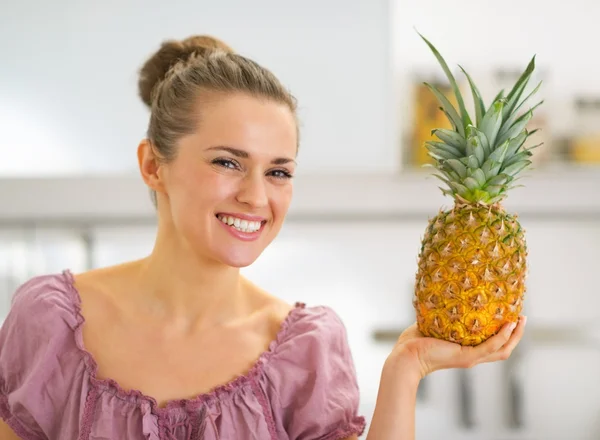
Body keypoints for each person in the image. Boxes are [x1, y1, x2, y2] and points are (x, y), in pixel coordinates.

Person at [0, 35, 526, 440]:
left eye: (278, 172)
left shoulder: (306, 349)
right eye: (228, 162)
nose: (256, 196)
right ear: (153, 165)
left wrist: (408, 368)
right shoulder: (50, 323)